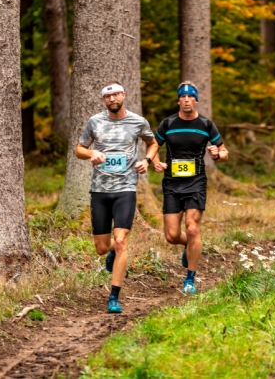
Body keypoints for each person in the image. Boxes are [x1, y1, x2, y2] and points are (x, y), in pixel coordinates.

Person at [76, 81, 159, 313]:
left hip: (126, 188)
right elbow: (79, 149)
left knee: (121, 240)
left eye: (115, 95)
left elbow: (152, 144)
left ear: (124, 95)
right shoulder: (95, 122)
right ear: (104, 100)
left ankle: (114, 296)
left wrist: (147, 161)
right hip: (100, 190)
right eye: (107, 96)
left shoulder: (137, 122)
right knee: (102, 248)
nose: (112, 99)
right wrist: (91, 153)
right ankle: (112, 252)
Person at [153, 81, 228, 294]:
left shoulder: (206, 125)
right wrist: (156, 162)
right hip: (172, 184)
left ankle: (190, 279)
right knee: (172, 236)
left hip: (196, 183)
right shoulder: (168, 124)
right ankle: (190, 245)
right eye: (183, 97)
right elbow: (153, 146)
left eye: (190, 97)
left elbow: (224, 152)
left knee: (193, 228)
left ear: (196, 99)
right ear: (178, 100)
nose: (186, 100)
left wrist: (217, 155)